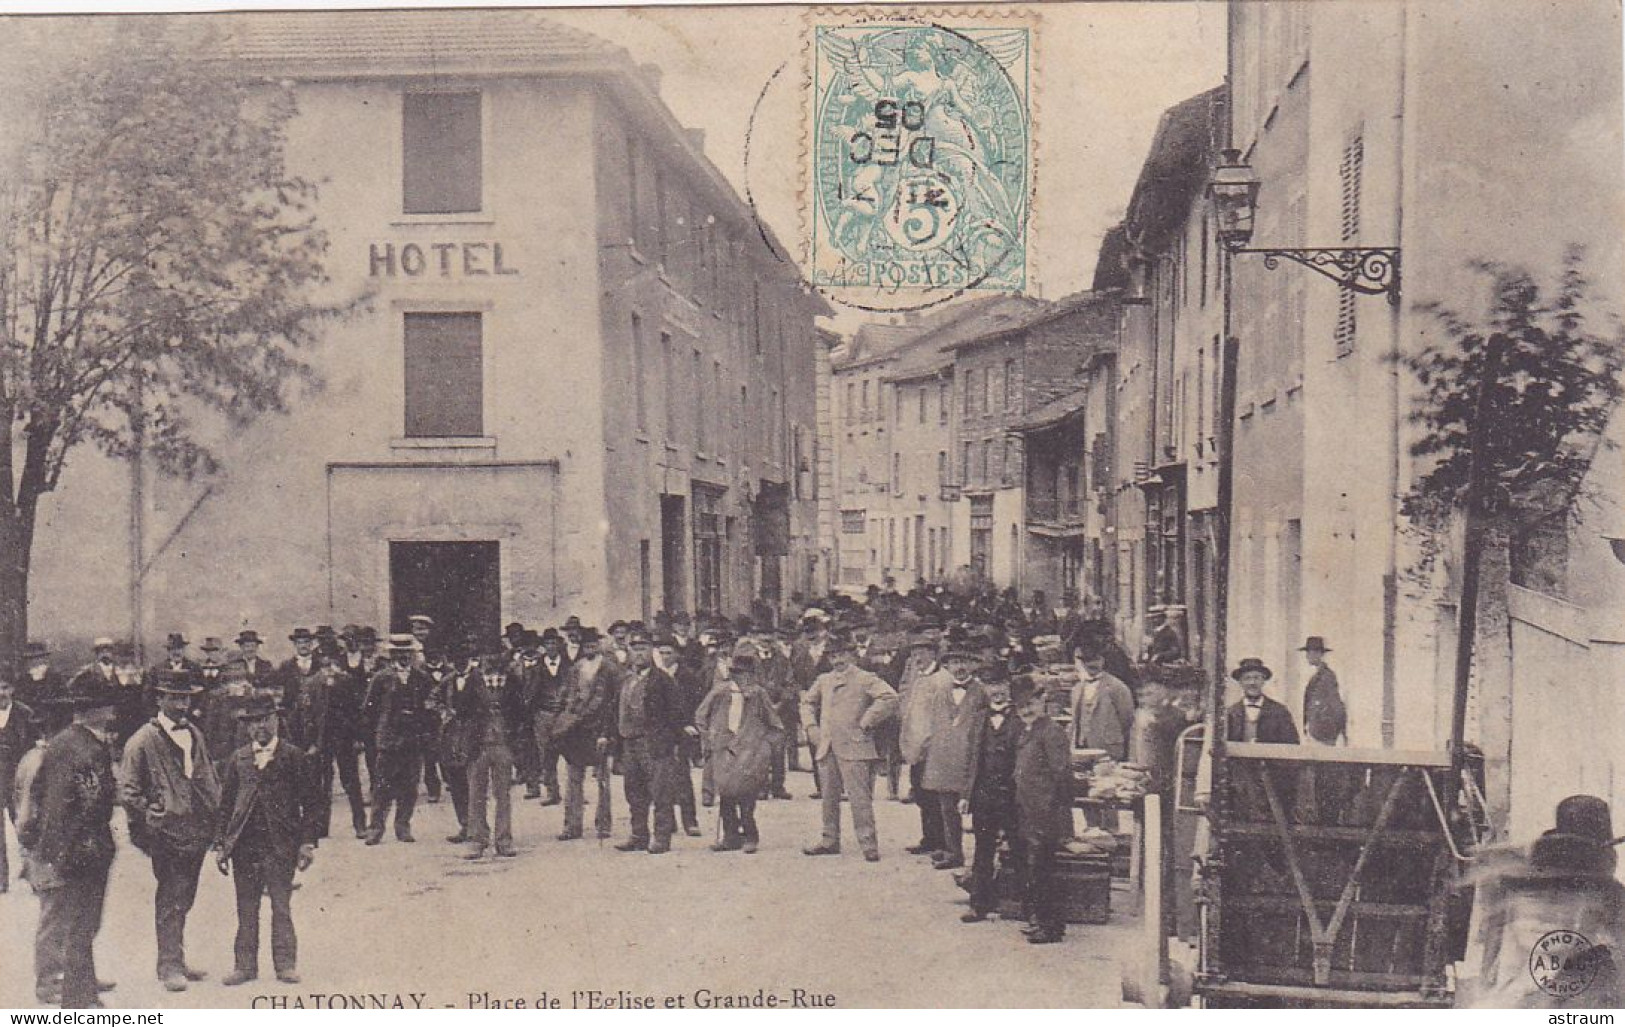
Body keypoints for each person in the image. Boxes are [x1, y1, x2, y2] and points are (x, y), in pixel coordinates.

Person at [21, 676, 122, 1007]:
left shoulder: (64, 743)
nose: (111, 713)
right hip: (82, 851)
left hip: (68, 848)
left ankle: (81, 984)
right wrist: (70, 851)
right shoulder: (89, 749)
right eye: (107, 707)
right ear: (99, 711)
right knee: (79, 924)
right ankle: (78, 1000)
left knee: (77, 923)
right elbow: (86, 805)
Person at [119, 671, 221, 992]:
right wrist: (154, 816)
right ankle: (169, 966)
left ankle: (176, 955)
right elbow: (129, 791)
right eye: (174, 697)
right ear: (159, 699)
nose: (181, 704)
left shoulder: (195, 734)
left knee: (185, 896)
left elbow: (206, 776)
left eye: (185, 697)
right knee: (171, 896)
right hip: (166, 833)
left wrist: (214, 814)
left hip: (196, 830)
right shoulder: (142, 741)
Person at [214, 694, 321, 986]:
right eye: (253, 722)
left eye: (265, 719)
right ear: (246, 727)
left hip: (280, 844)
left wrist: (306, 843)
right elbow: (225, 805)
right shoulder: (239, 759)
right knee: (246, 907)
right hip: (245, 846)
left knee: (281, 906)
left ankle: (285, 964)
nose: (259, 727)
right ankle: (244, 965)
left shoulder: (293, 756)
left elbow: (311, 804)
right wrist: (222, 844)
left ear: (276, 720)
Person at [800, 630, 900, 863]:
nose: (838, 660)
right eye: (833, 656)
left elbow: (890, 698)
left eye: (842, 655)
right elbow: (806, 703)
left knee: (860, 798)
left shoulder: (865, 678)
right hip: (827, 746)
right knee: (828, 797)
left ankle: (868, 844)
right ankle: (829, 839)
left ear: (852, 655)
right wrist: (811, 727)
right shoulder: (824, 680)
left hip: (855, 746)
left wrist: (867, 720)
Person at [14, 697, 78, 1005]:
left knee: (68, 913)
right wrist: (36, 850)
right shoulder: (42, 760)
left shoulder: (38, 756)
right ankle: (47, 981)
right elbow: (27, 814)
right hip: (47, 850)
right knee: (54, 916)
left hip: (54, 848)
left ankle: (76, 974)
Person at [693, 639, 783, 853]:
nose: (744, 679)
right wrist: (709, 738)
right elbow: (700, 716)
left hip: (750, 752)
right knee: (726, 795)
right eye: (739, 675)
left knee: (747, 795)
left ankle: (750, 836)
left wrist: (766, 748)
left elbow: (775, 724)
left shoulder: (759, 694)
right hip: (724, 750)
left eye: (747, 675)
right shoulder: (720, 692)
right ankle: (730, 836)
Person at [611, 628, 688, 854]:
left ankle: (661, 838)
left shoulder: (663, 680)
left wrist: (671, 741)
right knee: (634, 791)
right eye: (635, 649)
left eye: (643, 648)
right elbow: (613, 710)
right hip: (629, 742)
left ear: (651, 651)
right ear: (629, 651)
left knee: (660, 792)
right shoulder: (624, 680)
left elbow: (677, 713)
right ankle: (638, 835)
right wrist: (608, 736)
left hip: (654, 743)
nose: (639, 654)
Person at [361, 635, 439, 844]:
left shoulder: (422, 678)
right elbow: (369, 709)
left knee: (410, 785)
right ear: (392, 654)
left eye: (407, 652)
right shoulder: (381, 678)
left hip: (413, 739)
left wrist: (427, 733)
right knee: (382, 786)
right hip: (388, 739)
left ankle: (403, 825)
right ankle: (376, 828)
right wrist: (374, 735)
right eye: (398, 652)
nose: (403, 656)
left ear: (412, 655)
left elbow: (431, 707)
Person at [1014, 673, 1072, 945]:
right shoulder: (1029, 730)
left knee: (1044, 871)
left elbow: (1061, 774)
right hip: (1028, 811)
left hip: (1045, 813)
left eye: (1031, 703)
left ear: (1042, 702)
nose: (1026, 709)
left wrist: (1053, 812)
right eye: (1021, 705)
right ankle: (1041, 920)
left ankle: (1050, 927)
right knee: (1035, 871)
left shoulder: (1051, 731)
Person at [921, 637, 988, 871]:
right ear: (948, 667)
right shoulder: (940, 691)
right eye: (956, 662)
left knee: (980, 810)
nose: (960, 667)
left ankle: (983, 857)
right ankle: (954, 852)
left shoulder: (982, 692)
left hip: (973, 759)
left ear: (974, 665)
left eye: (966, 662)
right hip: (946, 758)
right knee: (947, 809)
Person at [958, 671, 1020, 923]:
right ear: (984, 688)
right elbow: (972, 759)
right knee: (982, 850)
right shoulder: (979, 718)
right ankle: (979, 905)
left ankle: (1019, 903)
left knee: (1018, 848)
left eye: (1002, 684)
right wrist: (966, 794)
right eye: (992, 685)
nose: (997, 691)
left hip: (1013, 795)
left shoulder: (1020, 717)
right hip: (984, 795)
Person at [551, 628, 620, 841]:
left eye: (593, 645)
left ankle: (604, 825)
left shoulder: (609, 669)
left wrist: (608, 730)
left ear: (599, 646)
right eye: (586, 646)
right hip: (576, 729)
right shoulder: (576, 668)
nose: (589, 649)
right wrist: (563, 718)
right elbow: (567, 695)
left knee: (602, 780)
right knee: (573, 777)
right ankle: (572, 825)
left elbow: (614, 701)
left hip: (599, 727)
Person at [899, 627, 950, 856]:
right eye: (914, 653)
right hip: (917, 747)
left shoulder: (941, 680)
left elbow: (942, 717)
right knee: (921, 794)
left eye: (922, 652)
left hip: (933, 748)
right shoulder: (918, 677)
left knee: (934, 795)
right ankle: (929, 838)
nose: (917, 658)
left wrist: (930, 744)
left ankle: (942, 841)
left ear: (933, 653)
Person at [1, 673, 39, 893]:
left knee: (26, 826)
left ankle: (35, 875)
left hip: (19, 781)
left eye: (5, 687)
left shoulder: (25, 714)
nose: (1, 693)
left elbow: (35, 749)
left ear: (12, 689)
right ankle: (1, 879)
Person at [523, 628, 570, 807]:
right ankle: (552, 791)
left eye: (554, 643)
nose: (551, 646)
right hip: (543, 714)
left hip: (564, 715)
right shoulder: (536, 668)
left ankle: (574, 791)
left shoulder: (569, 665)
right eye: (547, 643)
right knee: (546, 753)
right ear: (543, 647)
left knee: (570, 752)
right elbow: (529, 691)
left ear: (559, 645)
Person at [1069, 640, 1136, 762]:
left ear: (1103, 660)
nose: (1092, 664)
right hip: (1082, 749)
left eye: (1096, 659)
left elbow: (1127, 721)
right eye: (1086, 661)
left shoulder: (1117, 687)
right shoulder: (1077, 689)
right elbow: (1075, 721)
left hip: (1108, 751)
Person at [1224, 658, 1300, 744]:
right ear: (1240, 682)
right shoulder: (1231, 713)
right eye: (1247, 678)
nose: (1252, 683)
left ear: (1263, 681)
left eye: (1257, 678)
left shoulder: (1279, 711)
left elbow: (1292, 745)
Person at [1299, 636, 1347, 745]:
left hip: (1322, 733)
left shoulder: (1327, 676)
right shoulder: (1314, 675)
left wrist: (1330, 731)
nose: (1307, 656)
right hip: (1313, 730)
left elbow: (1335, 705)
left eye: (1311, 653)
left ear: (1320, 654)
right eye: (1308, 653)